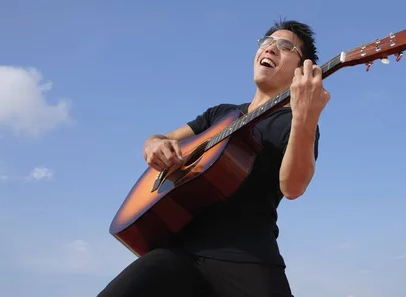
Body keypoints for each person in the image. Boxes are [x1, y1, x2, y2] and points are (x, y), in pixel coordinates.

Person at [98, 19, 331, 297]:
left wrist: (306, 117)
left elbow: (293, 187)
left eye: (285, 46)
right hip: (179, 249)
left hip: (244, 255)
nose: (271, 48)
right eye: (267, 42)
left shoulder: (296, 123)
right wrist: (153, 144)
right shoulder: (220, 114)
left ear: (301, 69)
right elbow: (163, 138)